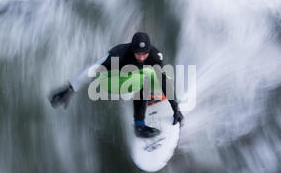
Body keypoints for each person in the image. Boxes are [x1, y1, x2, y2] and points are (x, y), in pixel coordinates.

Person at [49, 32, 184, 138]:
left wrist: (175, 109)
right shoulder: (119, 54)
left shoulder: (154, 55)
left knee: (164, 76)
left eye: (145, 54)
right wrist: (70, 89)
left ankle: (147, 96)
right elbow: (91, 69)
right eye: (138, 54)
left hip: (130, 76)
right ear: (132, 49)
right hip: (109, 80)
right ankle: (139, 126)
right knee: (143, 81)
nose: (141, 57)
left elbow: (163, 80)